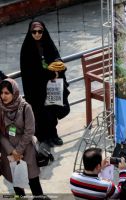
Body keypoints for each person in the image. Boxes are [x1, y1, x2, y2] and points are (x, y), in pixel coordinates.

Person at [20, 19, 68, 147]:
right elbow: (30, 71)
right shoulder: (26, 49)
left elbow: (56, 56)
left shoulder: (48, 43)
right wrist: (49, 72)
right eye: (34, 32)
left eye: (39, 31)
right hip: (36, 89)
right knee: (41, 114)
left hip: (52, 85)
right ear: (30, 33)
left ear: (43, 31)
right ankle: (44, 137)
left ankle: (54, 135)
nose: (37, 34)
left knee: (52, 112)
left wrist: (58, 64)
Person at [0, 78, 44, 197]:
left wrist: (18, 151)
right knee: (17, 185)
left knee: (34, 183)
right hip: (9, 153)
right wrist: (11, 151)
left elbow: (30, 131)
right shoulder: (0, 109)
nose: (3, 96)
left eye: (7, 93)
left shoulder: (25, 107)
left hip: (26, 150)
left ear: (14, 93)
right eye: (1, 93)